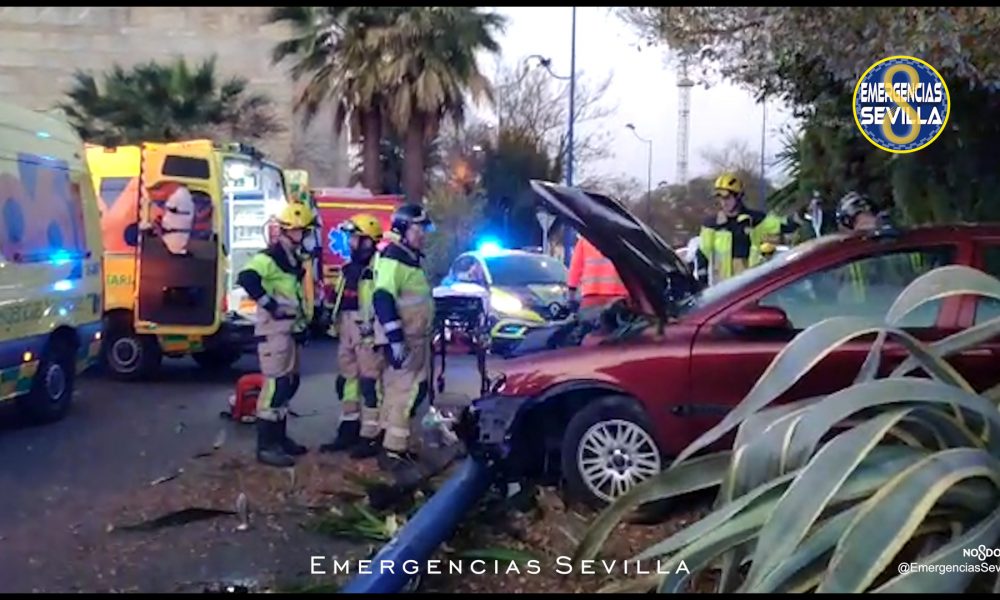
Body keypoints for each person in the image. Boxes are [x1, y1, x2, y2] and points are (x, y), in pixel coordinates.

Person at [236, 203, 315, 468]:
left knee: (289, 384)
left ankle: (280, 439)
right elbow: (246, 278)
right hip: (274, 333)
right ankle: (266, 446)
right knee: (275, 386)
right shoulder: (269, 258)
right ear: (288, 231)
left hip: (289, 332)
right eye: (301, 232)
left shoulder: (292, 261)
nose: (305, 237)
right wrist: (270, 305)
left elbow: (295, 297)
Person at [371, 204, 435, 473]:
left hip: (413, 338)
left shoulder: (406, 257)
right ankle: (393, 451)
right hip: (405, 340)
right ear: (404, 229)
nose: (423, 234)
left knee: (398, 391)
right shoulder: (394, 258)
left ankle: (390, 445)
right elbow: (382, 296)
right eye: (419, 228)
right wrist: (395, 338)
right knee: (407, 392)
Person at [319, 214, 386, 458]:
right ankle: (348, 429)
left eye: (356, 239)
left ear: (369, 242)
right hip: (347, 329)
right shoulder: (349, 269)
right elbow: (340, 298)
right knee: (348, 381)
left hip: (368, 332)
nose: (351, 243)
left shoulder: (379, 269)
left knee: (370, 383)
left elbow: (384, 302)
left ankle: (371, 436)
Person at [694, 172, 802, 286]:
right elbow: (702, 255)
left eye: (727, 197)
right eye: (720, 198)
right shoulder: (712, 225)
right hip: (723, 289)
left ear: (738, 196)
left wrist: (801, 214)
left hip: (751, 284)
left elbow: (785, 225)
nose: (723, 202)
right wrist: (703, 284)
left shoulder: (755, 220)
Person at [566, 234, 629, 311]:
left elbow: (575, 267)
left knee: (589, 321)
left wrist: (571, 295)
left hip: (591, 296)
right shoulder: (623, 239)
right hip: (618, 296)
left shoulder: (585, 239)